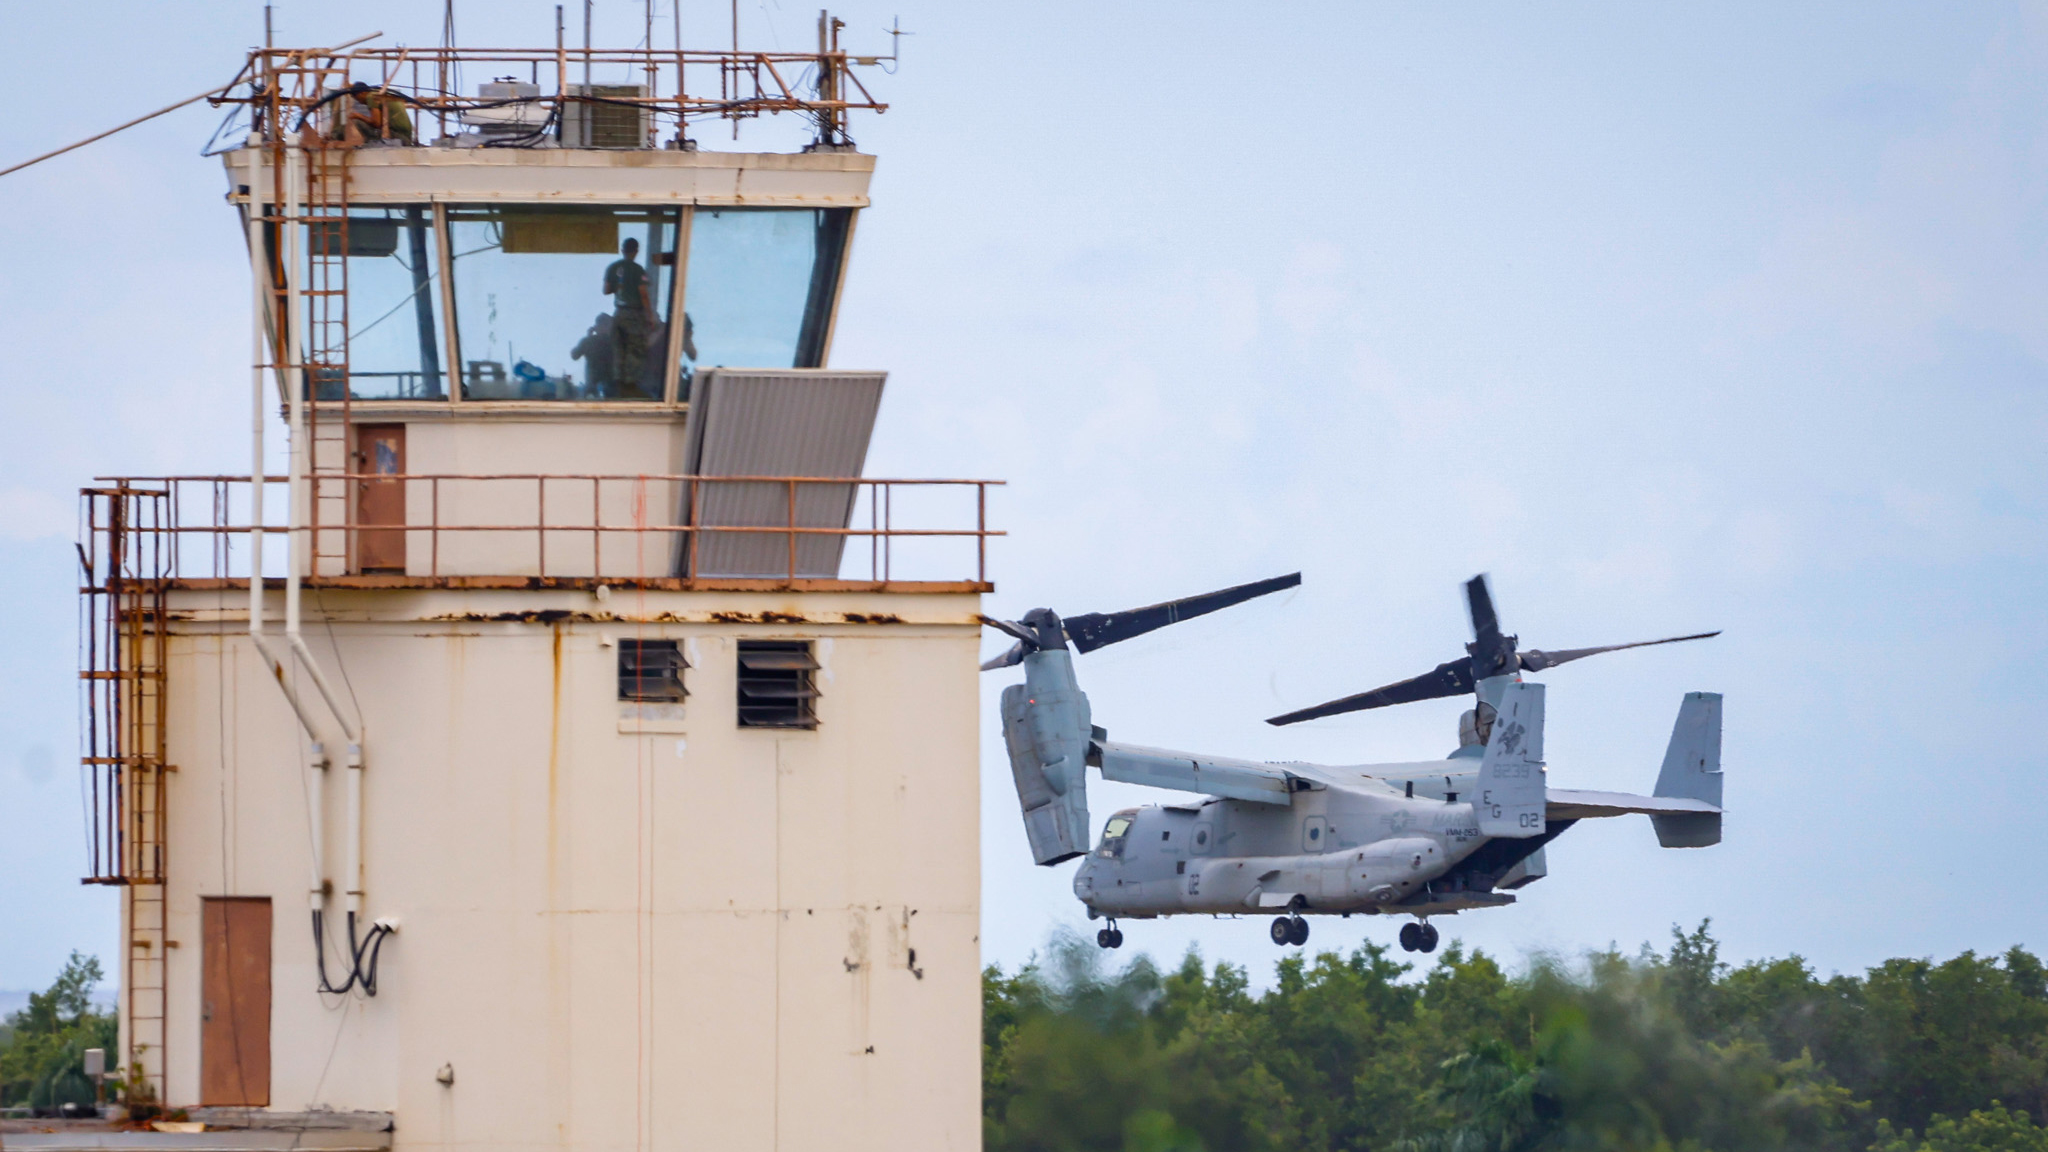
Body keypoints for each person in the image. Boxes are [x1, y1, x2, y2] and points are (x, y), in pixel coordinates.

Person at [603, 237, 652, 396]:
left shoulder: (613, 268)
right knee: (634, 349)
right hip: (634, 314)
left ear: (622, 250)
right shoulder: (639, 270)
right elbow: (643, 294)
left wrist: (619, 285)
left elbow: (606, 290)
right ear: (636, 251)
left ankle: (618, 383)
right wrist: (650, 316)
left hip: (619, 313)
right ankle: (630, 386)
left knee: (619, 348)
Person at [345, 82, 415, 145]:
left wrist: (358, 115)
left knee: (357, 123)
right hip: (406, 138)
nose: (359, 101)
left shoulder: (371, 97)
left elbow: (377, 123)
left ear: (362, 93)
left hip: (399, 138)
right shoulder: (380, 93)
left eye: (356, 98)